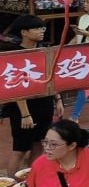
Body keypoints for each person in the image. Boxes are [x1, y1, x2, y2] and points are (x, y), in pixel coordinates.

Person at [2, 15, 64, 171]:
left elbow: (52, 77)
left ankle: (32, 178)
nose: (42, 30)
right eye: (36, 28)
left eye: (42, 27)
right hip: (23, 108)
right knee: (20, 150)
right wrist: (25, 114)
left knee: (40, 144)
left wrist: (58, 99)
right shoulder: (15, 53)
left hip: (44, 104)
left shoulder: (44, 51)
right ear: (24, 32)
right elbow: (16, 86)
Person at [69, 0, 89, 122]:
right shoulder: (83, 17)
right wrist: (66, 47)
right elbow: (77, 37)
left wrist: (87, 33)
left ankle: (75, 116)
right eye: (84, 1)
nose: (85, 4)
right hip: (82, 54)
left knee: (84, 85)